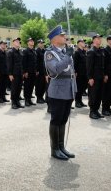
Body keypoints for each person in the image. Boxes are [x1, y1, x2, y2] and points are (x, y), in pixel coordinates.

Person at [45, 25, 77, 161]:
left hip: (68, 89)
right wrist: (68, 55)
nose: (65, 37)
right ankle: (54, 149)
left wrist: (68, 54)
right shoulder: (50, 53)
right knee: (56, 120)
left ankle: (61, 146)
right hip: (57, 91)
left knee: (63, 119)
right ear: (54, 39)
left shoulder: (64, 52)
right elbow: (55, 69)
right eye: (62, 35)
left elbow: (71, 71)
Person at [86, 34, 105, 119]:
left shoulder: (100, 51)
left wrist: (104, 75)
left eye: (100, 38)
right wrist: (90, 78)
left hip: (100, 77)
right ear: (93, 40)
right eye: (97, 38)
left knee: (99, 95)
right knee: (93, 95)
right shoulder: (91, 51)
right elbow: (89, 66)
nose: (99, 40)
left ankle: (96, 110)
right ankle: (92, 111)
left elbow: (102, 65)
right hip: (94, 77)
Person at [102, 35, 111, 116]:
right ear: (108, 41)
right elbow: (104, 64)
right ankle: (104, 109)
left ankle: (108, 107)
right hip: (108, 75)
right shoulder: (105, 50)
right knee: (106, 93)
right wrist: (105, 74)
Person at [7, 38, 24, 109]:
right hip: (14, 73)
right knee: (14, 88)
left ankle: (17, 101)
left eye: (19, 41)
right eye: (16, 41)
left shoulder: (20, 52)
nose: (18, 42)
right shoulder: (10, 52)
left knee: (19, 88)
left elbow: (22, 63)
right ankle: (13, 102)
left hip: (20, 73)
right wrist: (10, 74)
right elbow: (9, 64)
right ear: (13, 43)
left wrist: (23, 72)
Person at [22, 37, 37, 106]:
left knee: (31, 86)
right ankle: (26, 100)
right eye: (30, 41)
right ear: (28, 43)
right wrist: (25, 72)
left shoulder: (34, 51)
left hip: (33, 71)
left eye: (32, 41)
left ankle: (29, 99)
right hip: (28, 72)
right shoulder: (25, 51)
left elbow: (35, 62)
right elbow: (24, 62)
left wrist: (36, 70)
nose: (32, 42)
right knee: (27, 86)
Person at [74, 39, 88, 108]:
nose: (84, 43)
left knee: (83, 88)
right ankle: (77, 102)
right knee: (79, 88)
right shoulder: (77, 52)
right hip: (79, 73)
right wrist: (75, 72)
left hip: (84, 73)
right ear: (78, 43)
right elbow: (75, 63)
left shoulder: (84, 52)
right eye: (82, 42)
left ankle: (80, 101)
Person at [35, 39, 47, 104]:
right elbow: (36, 61)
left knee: (43, 85)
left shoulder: (45, 51)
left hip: (44, 71)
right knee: (39, 85)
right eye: (41, 43)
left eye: (43, 43)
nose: (42, 44)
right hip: (39, 71)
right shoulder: (37, 51)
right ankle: (38, 98)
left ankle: (41, 97)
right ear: (38, 44)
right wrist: (36, 70)